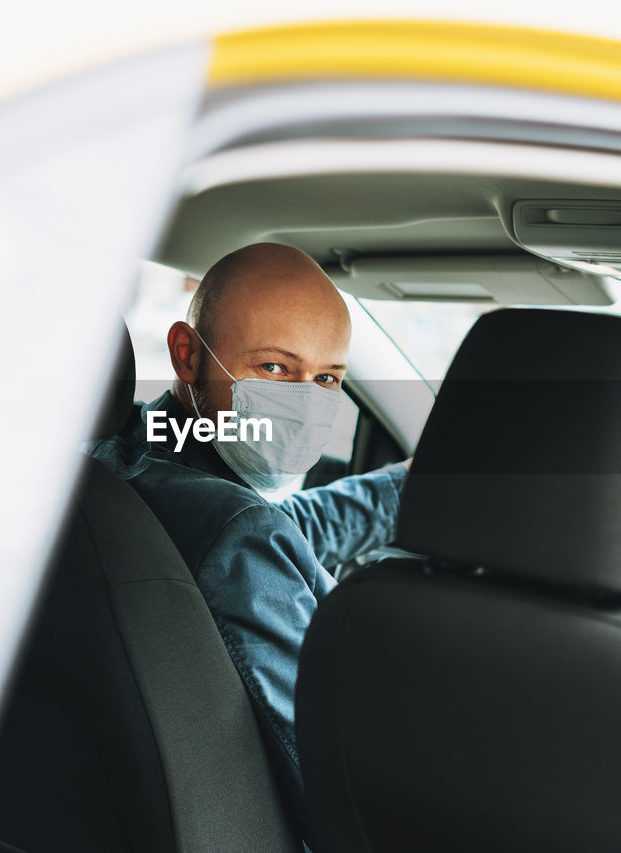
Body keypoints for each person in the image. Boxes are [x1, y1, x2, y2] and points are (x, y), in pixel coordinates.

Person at [88, 243, 407, 838]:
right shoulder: (235, 534)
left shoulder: (112, 463)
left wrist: (408, 486)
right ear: (187, 355)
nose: (307, 402)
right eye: (276, 369)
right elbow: (338, 786)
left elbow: (269, 534)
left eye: (328, 378)